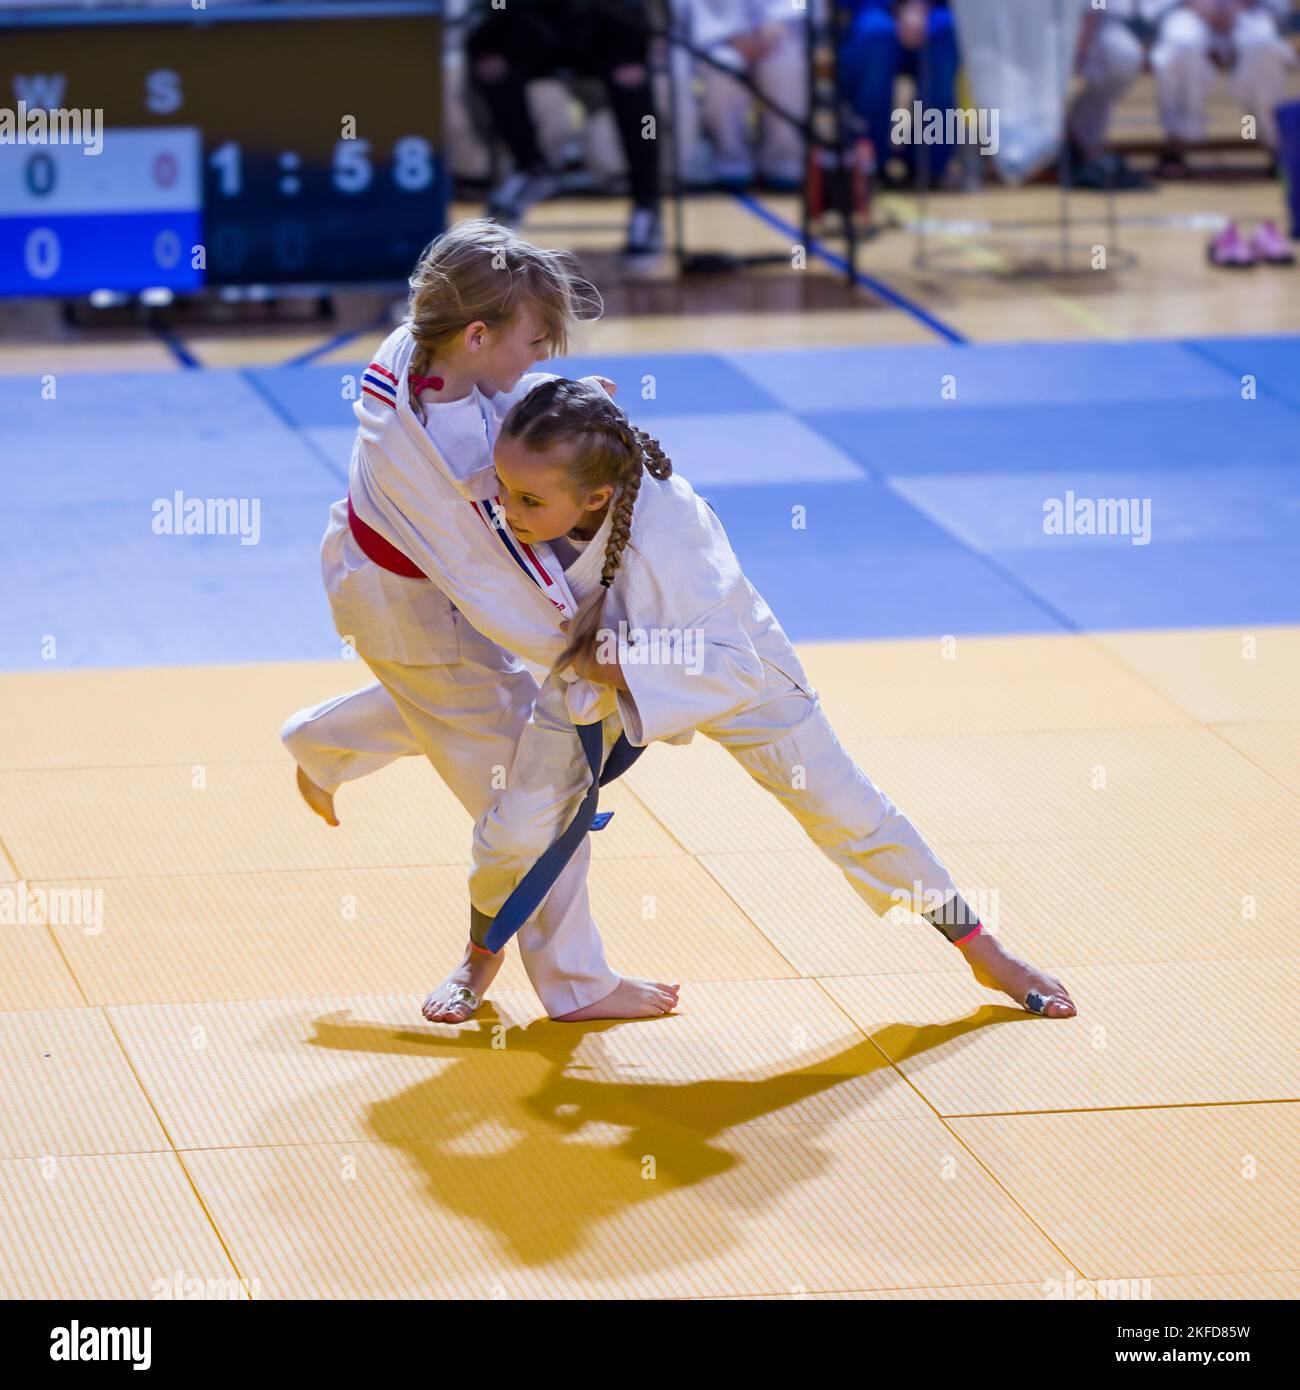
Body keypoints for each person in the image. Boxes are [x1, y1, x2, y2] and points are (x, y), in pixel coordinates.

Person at [451, 378, 1078, 1024]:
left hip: (734, 671)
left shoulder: (675, 545)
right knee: (517, 827)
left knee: (848, 809)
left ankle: (985, 949)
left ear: (597, 496)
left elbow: (727, 667)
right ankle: (479, 955)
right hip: (596, 672)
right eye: (503, 488)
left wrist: (605, 661)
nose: (508, 508)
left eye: (527, 499)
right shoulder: (546, 450)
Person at [281, 220, 679, 1024]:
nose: (539, 359)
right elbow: (523, 584)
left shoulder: (414, 346)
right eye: (534, 343)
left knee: (444, 702)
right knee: (540, 795)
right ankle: (578, 984)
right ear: (474, 333)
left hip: (377, 584)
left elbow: (510, 409)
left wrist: (566, 407)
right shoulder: (453, 465)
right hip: (412, 616)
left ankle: (321, 744)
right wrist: (619, 657)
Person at [466, 0, 664, 259]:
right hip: (532, 20)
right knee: (489, 58)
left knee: (632, 76)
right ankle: (530, 166)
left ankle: (646, 200)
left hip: (601, 19)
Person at [1151, 0, 1294, 174]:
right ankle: (1176, 142)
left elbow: (1280, 7)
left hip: (1249, 12)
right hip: (1187, 11)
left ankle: (1275, 144)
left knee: (1264, 46)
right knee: (1182, 43)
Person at [837, 0, 960, 187]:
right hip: (872, 10)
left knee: (945, 31)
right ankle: (870, 164)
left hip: (932, 10)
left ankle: (930, 166)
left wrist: (919, 6)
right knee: (876, 36)